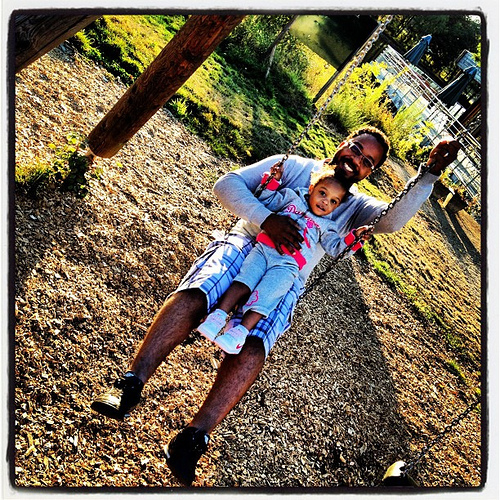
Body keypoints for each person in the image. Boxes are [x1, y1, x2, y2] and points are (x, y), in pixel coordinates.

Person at [91, 126, 460, 486]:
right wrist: (267, 219)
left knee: (254, 345)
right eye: (356, 149)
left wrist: (428, 175)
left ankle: (193, 438)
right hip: (248, 243)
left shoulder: (356, 207)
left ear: (369, 173)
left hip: (288, 274)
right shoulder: (296, 166)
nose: (356, 160)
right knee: (200, 292)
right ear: (343, 143)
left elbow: (391, 220)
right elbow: (227, 185)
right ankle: (130, 384)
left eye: (367, 162)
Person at [197, 165, 370, 354]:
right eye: (322, 193)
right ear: (311, 188)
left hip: (288, 266)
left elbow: (336, 249)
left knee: (267, 297)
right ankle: (217, 317)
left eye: (333, 201)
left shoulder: (327, 226)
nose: (325, 202)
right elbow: (267, 200)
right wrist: (272, 181)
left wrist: (355, 239)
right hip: (263, 250)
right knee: (243, 281)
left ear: (336, 206)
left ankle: (238, 333)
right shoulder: (291, 198)